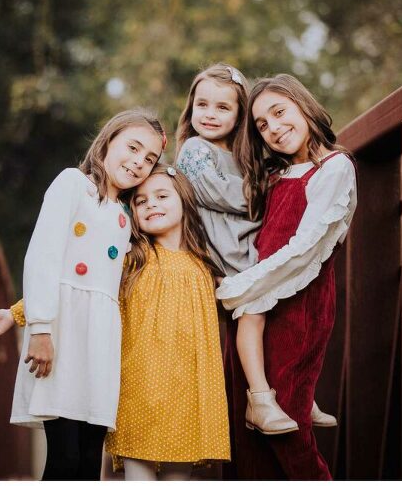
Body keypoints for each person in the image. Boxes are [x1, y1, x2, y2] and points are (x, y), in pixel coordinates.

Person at [0, 109, 165, 480]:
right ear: (108, 141)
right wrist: (39, 327)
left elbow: (95, 281)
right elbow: (45, 258)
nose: (139, 162)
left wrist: (16, 312)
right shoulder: (73, 184)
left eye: (150, 158)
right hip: (61, 335)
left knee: (90, 460)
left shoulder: (127, 215)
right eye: (133, 147)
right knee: (65, 458)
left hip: (101, 342)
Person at [175, 63, 334, 435]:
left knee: (280, 319)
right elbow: (215, 192)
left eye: (223, 107)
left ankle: (296, 394)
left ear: (240, 115)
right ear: (191, 108)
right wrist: (266, 188)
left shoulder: (242, 154)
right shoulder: (194, 150)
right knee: (255, 315)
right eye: (203, 105)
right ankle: (260, 399)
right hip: (226, 256)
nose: (210, 115)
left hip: (249, 249)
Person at [217, 74, 357, 479]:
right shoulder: (276, 175)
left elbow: (306, 249)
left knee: (290, 436)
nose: (273, 128)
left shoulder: (334, 168)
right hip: (256, 312)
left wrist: (240, 288)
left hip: (298, 309)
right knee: (251, 440)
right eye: (262, 124)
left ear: (303, 105)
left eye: (279, 112)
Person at [103, 164, 230, 480]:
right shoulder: (132, 259)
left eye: (161, 196)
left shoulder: (205, 267)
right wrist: (22, 312)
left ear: (185, 201)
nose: (151, 205)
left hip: (188, 397)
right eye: (141, 201)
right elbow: (85, 284)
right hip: (139, 391)